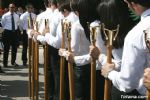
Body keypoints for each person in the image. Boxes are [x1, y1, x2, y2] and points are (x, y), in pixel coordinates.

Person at [91, 0, 150, 99]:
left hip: (140, 93)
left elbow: (127, 83)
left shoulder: (135, 35)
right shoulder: (132, 33)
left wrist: (109, 71)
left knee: (117, 92)